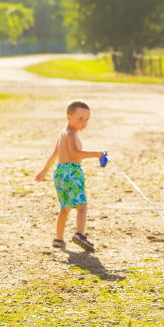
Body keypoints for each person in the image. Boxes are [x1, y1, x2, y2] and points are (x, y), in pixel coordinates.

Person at [35, 100, 104, 252]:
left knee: (65, 207)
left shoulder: (62, 134)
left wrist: (44, 171)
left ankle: (58, 239)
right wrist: (97, 154)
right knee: (82, 207)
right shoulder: (71, 134)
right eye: (80, 118)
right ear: (68, 117)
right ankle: (79, 234)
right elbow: (74, 153)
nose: (84, 122)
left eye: (86, 119)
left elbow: (55, 154)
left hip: (59, 173)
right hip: (72, 171)